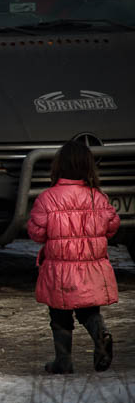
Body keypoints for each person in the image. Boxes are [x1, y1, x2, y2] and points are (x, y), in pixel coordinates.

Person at [27, 141, 119, 374]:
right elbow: (112, 226)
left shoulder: (47, 199)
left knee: (59, 315)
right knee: (89, 310)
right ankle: (101, 335)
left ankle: (64, 361)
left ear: (57, 167)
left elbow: (37, 233)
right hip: (92, 268)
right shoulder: (97, 198)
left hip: (59, 270)